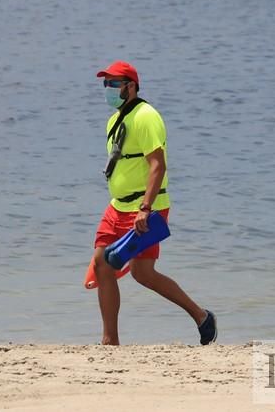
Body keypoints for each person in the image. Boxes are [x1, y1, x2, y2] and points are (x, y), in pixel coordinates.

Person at [90, 60, 217, 346]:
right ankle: (110, 342)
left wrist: (146, 208)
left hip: (144, 207)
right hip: (117, 205)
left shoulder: (147, 116)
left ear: (130, 86)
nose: (108, 89)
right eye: (105, 84)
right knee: (102, 264)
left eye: (113, 83)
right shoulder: (116, 120)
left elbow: (157, 165)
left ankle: (201, 316)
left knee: (142, 273)